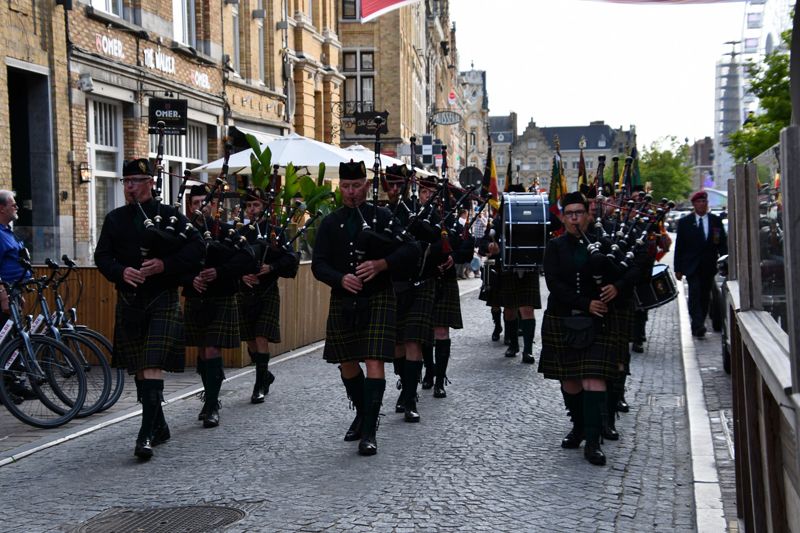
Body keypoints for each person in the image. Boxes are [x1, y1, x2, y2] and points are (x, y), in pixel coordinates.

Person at [94, 158, 203, 460]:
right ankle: (160, 425)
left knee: (152, 363)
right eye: (125, 181)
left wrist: (164, 265)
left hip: (162, 299)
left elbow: (197, 249)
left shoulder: (170, 216)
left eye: (135, 181)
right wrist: (120, 272)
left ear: (150, 183)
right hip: (130, 301)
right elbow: (102, 256)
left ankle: (145, 435)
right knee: (141, 369)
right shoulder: (115, 219)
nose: (129, 187)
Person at [311, 160, 418, 456]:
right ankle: (362, 412)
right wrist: (340, 278)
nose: (351, 192)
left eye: (356, 186)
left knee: (374, 361)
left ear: (366, 186)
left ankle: (369, 431)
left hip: (379, 297)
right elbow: (318, 264)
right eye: (345, 186)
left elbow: (411, 249)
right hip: (345, 299)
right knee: (346, 363)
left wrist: (382, 264)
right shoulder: (331, 223)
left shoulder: (382, 216)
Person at [537, 191, 623, 466]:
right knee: (570, 382)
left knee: (594, 379)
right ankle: (579, 426)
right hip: (563, 317)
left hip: (598, 322)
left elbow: (620, 273)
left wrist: (615, 286)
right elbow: (554, 284)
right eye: (569, 214)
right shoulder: (555, 246)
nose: (574, 218)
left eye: (579, 213)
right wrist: (585, 303)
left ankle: (594, 441)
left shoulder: (603, 242)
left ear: (588, 215)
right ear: (564, 217)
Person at [183, 184, 256, 428]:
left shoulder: (227, 231)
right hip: (196, 298)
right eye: (195, 203)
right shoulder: (183, 234)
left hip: (222, 296)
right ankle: (209, 397)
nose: (201, 208)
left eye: (205, 202)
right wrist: (189, 277)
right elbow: (173, 264)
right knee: (203, 352)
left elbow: (248, 258)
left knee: (212, 350)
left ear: (214, 205)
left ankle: (213, 404)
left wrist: (220, 272)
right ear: (190, 206)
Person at [384, 164, 434, 422]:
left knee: (413, 340)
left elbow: (437, 240)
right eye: (389, 184)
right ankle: (406, 386)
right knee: (396, 346)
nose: (393, 189)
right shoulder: (380, 213)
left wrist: (421, 227)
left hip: (419, 282)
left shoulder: (418, 211)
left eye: (397, 184)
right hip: (391, 285)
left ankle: (411, 398)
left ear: (406, 185)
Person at [238, 188, 299, 404]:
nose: (252, 209)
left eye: (256, 205)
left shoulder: (276, 232)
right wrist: (241, 276)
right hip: (245, 292)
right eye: (249, 206)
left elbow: (291, 259)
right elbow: (230, 261)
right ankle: (265, 374)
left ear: (264, 206)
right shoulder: (241, 232)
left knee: (261, 336)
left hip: (266, 291)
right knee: (251, 340)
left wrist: (271, 267)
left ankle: (258, 385)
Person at [674, 190, 727, 338]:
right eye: (699, 202)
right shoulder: (685, 223)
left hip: (708, 266)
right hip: (691, 266)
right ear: (694, 205)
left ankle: (700, 321)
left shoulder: (715, 221)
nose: (702, 204)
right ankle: (697, 325)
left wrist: (724, 260)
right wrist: (678, 269)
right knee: (695, 293)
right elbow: (680, 247)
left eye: (704, 202)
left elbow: (721, 243)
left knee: (705, 296)